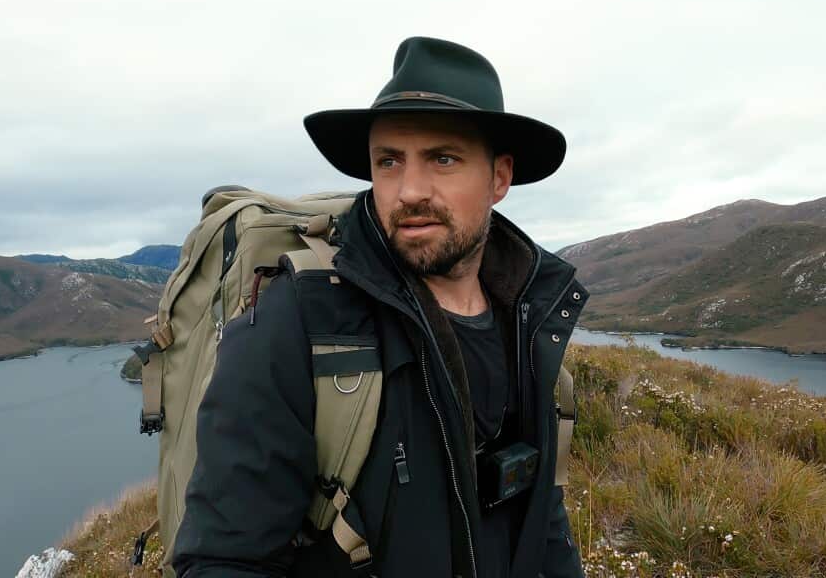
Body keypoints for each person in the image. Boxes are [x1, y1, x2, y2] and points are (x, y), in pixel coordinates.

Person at [172, 36, 587, 577]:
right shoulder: (300, 321)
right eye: (388, 161)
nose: (409, 190)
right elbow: (222, 561)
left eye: (443, 158)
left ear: (500, 177)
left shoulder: (529, 319)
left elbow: (542, 518)